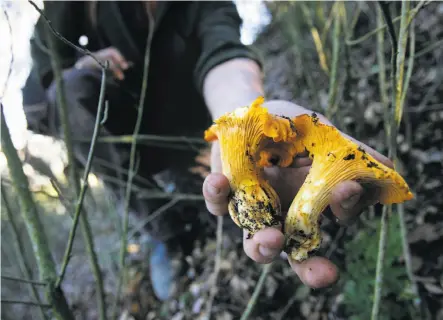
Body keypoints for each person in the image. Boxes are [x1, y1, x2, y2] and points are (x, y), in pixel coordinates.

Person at [23, 0, 393, 302]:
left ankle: (209, 197)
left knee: (240, 214)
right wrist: (78, 64)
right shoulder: (68, 7)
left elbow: (225, 55)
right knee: (70, 91)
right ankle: (163, 232)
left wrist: (243, 118)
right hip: (121, 136)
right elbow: (37, 98)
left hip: (196, 132)